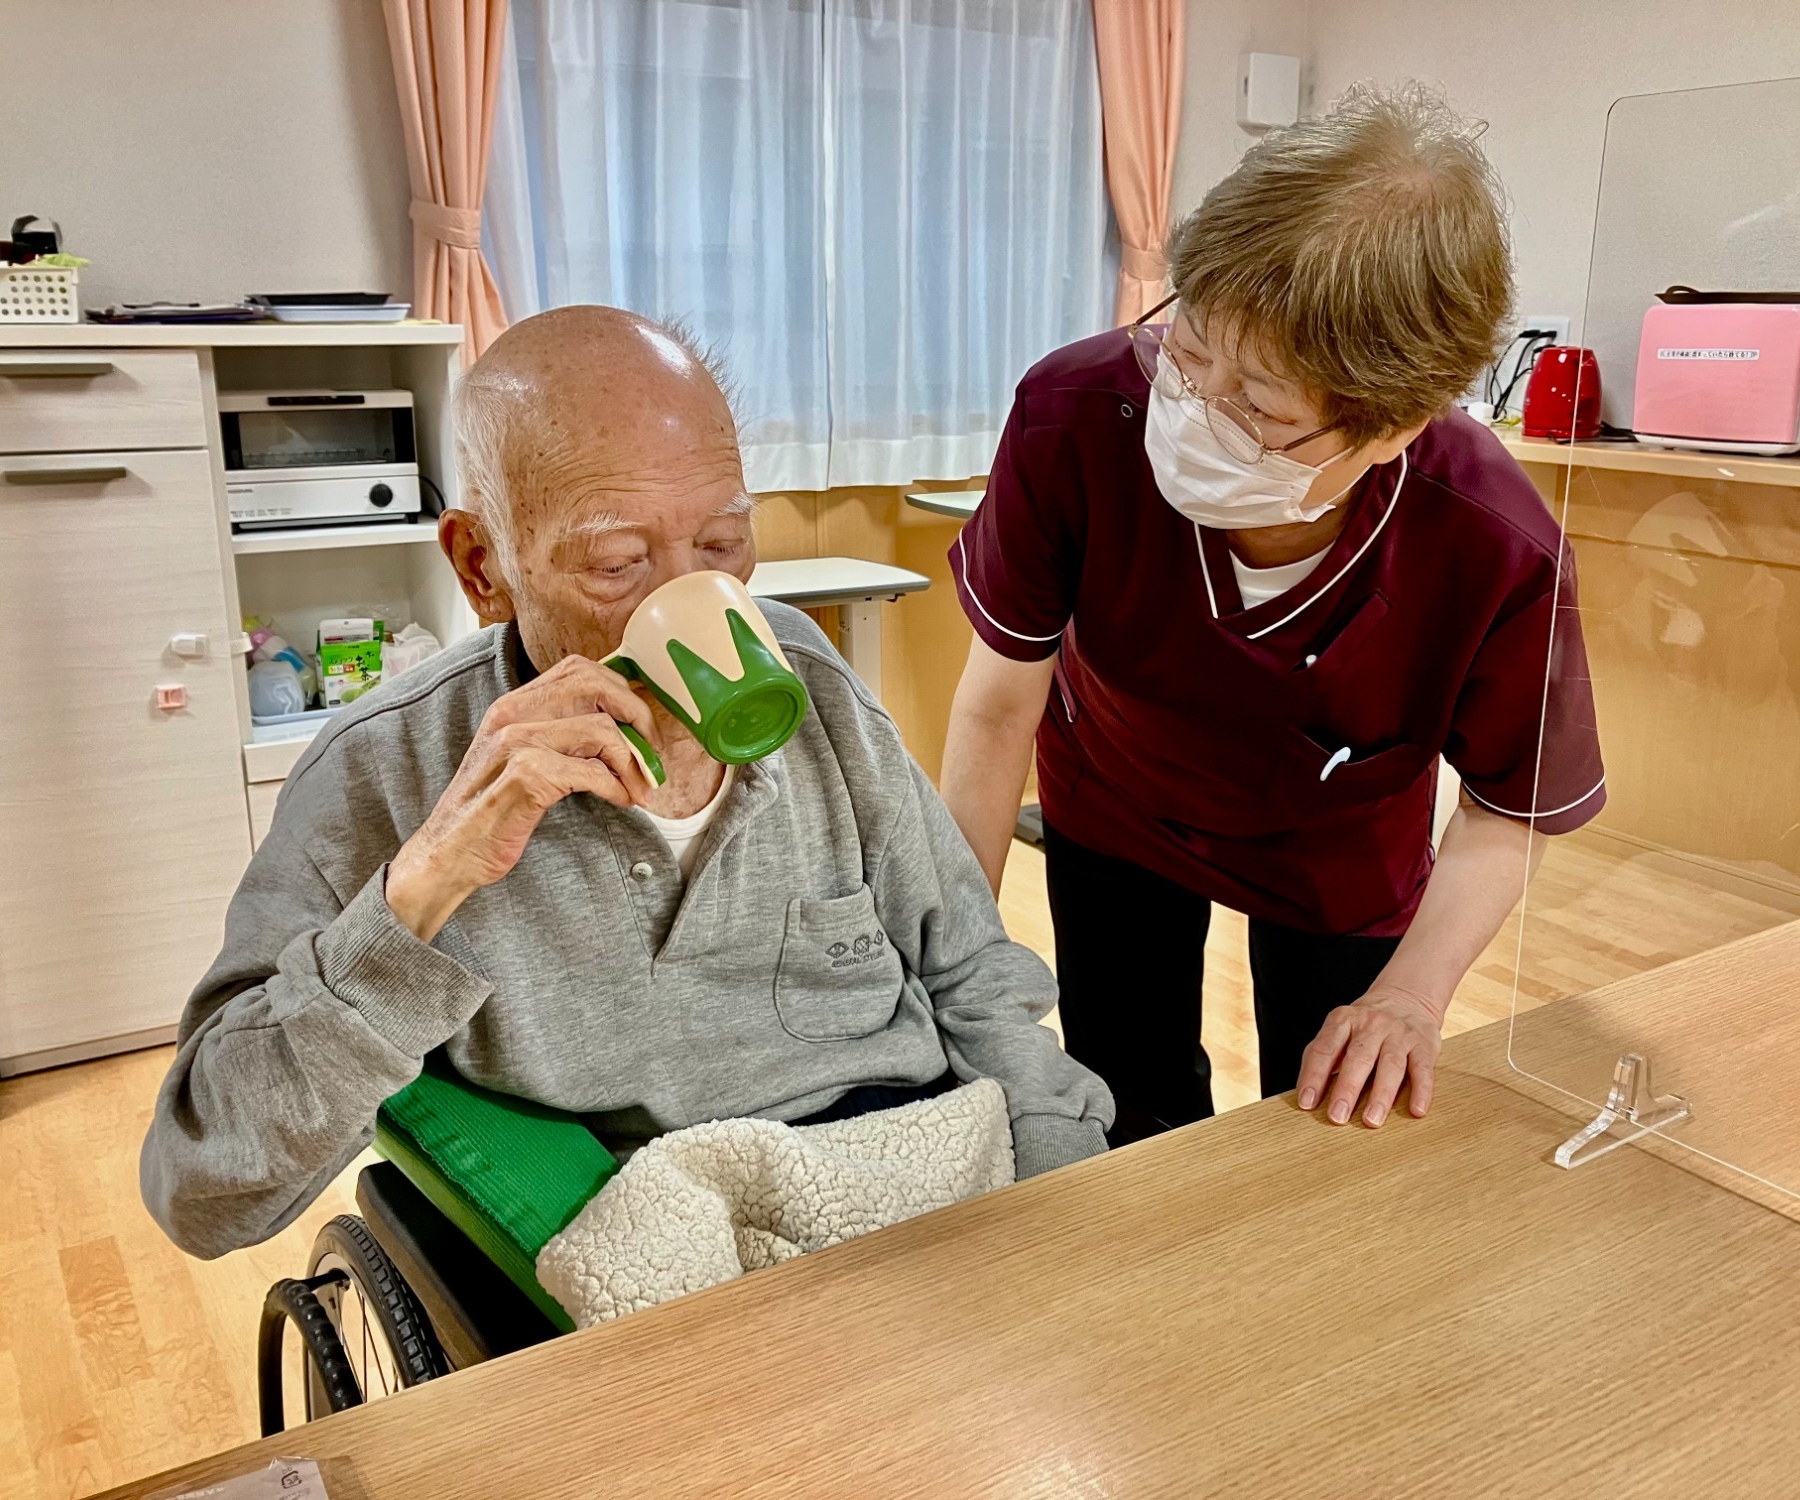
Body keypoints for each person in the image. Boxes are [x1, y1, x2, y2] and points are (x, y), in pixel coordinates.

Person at [142, 306, 1111, 1259]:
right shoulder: (381, 770)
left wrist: (1062, 1200)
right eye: (616, 562)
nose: (691, 599)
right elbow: (204, 1191)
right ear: (484, 566)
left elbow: (971, 977)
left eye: (723, 544)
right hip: (657, 1253)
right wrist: (425, 885)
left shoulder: (809, 682)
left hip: (911, 1191)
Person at [940, 84, 1604, 1145]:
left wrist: (1411, 997)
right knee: (1127, 1095)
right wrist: (958, 966)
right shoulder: (1077, 413)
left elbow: (1508, 807)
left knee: (1325, 1116)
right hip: (1115, 795)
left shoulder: (1487, 541)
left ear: (1392, 430)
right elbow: (993, 709)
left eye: (1258, 406)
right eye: (1190, 351)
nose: (1196, 409)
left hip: (1335, 845)